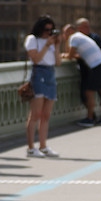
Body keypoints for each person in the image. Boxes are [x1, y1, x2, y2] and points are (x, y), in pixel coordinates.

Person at [24, 15, 61, 157]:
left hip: (50, 74)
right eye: (46, 30)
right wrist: (46, 45)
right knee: (35, 114)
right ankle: (31, 147)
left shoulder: (51, 42)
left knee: (46, 115)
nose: (49, 33)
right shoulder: (32, 40)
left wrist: (56, 46)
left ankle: (43, 145)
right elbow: (36, 59)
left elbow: (58, 62)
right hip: (38, 74)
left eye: (52, 30)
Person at [64, 19, 101, 125]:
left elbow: (70, 55)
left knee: (89, 92)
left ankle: (90, 119)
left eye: (65, 32)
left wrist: (63, 55)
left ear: (71, 31)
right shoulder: (82, 37)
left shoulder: (74, 38)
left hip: (96, 67)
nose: (64, 35)